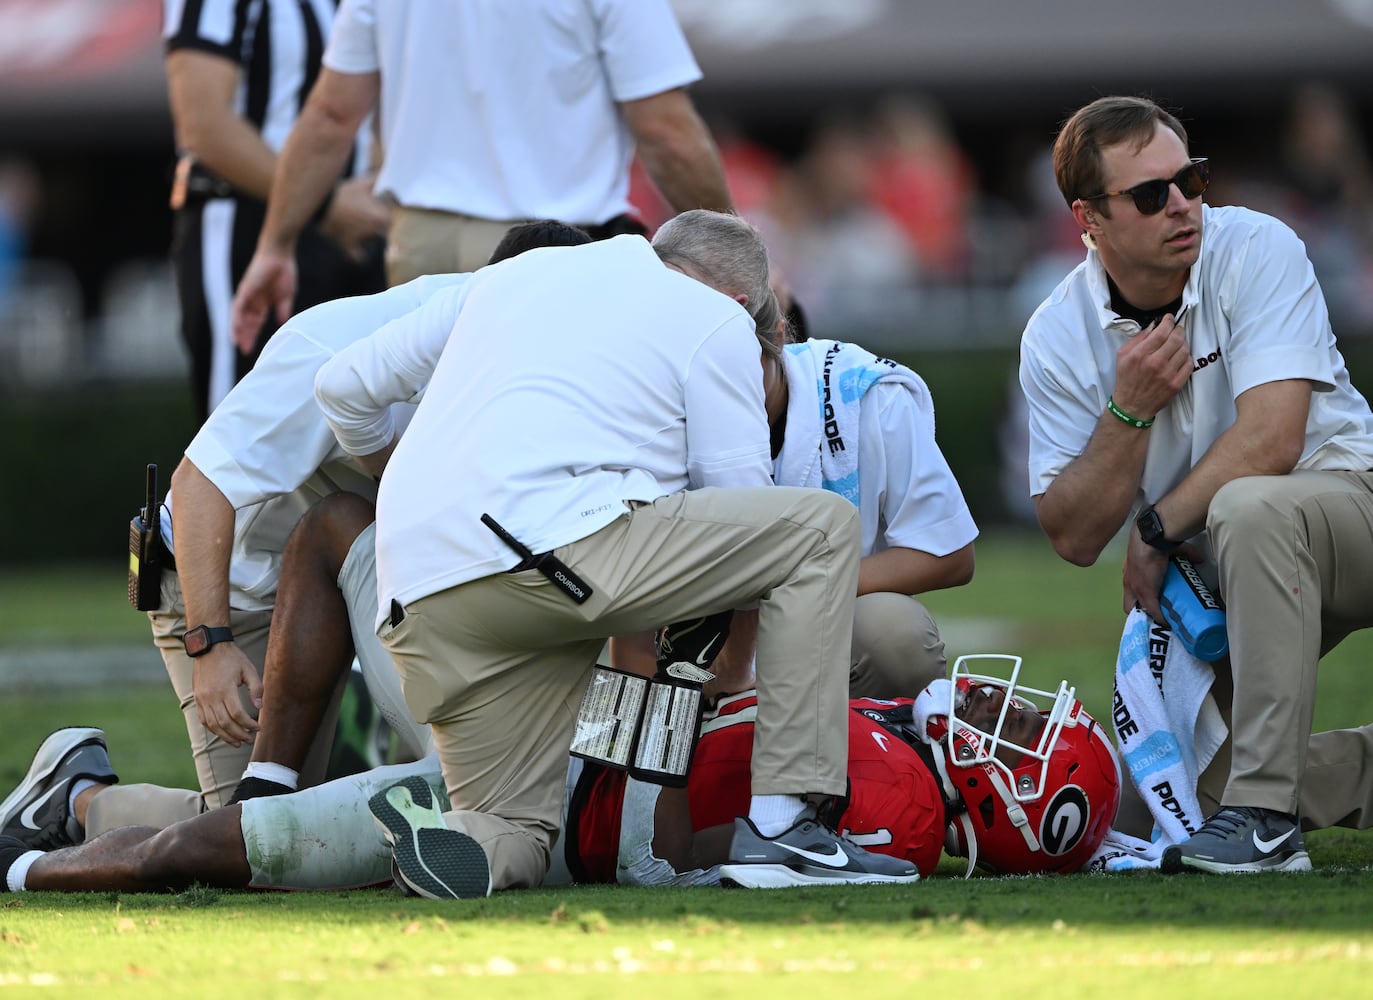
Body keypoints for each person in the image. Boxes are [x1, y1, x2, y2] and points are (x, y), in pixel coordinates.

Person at [311, 209, 916, 895]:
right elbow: (744, 521)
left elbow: (340, 387)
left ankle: (455, 837)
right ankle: (780, 832)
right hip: (555, 558)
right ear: (740, 301)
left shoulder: (516, 274)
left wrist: (402, 482)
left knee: (520, 833)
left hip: (419, 591)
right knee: (818, 528)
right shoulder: (710, 317)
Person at [0, 222, 596, 851]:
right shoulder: (337, 341)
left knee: (282, 822)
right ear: (510, 296)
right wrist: (210, 645)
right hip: (232, 583)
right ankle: (75, 798)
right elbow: (202, 486)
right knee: (251, 828)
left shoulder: (526, 354)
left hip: (347, 567)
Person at [1018, 94, 1373, 875]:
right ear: (1089, 218)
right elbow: (1072, 537)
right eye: (1150, 195)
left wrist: (1155, 529)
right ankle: (1252, 804)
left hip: (1349, 502)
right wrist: (1126, 412)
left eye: (1191, 179)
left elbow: (1275, 438)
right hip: (1222, 559)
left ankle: (1266, 821)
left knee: (1249, 508)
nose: (1182, 206)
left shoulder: (1254, 245)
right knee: (1184, 788)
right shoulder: (1053, 331)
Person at [0, 657, 1121, 893]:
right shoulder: (907, 752)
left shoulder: (901, 808)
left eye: (1022, 734)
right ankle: (83, 798)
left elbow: (694, 847)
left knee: (241, 847)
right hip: (572, 745)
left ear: (1022, 804)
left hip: (553, 801)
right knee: (275, 827)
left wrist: (658, 696)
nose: (1000, 708)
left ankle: (34, 867)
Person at [230, 0, 734, 350]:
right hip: (550, 255)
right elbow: (667, 134)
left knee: (436, 454)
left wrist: (275, 245)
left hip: (419, 254)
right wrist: (732, 246)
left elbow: (330, 117)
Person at [162, 0, 391, 425]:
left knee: (360, 448)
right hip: (244, 226)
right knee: (241, 449)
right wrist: (324, 203)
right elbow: (203, 122)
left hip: (356, 230)